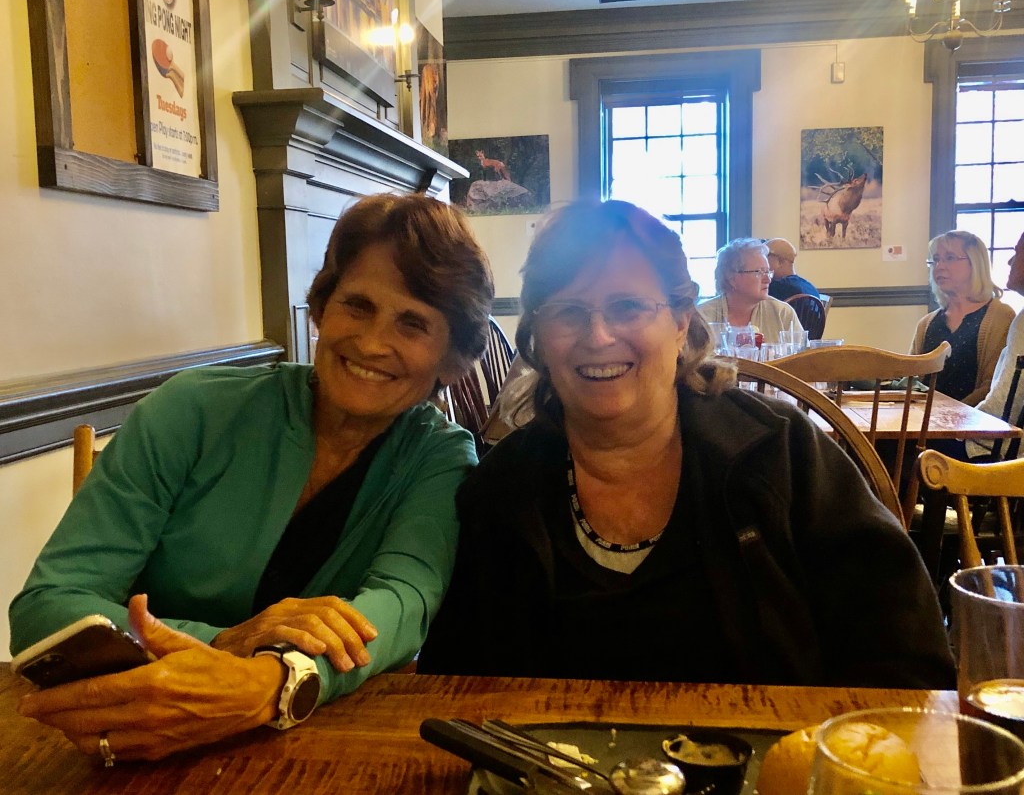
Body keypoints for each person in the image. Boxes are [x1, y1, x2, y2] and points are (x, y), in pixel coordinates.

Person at [9, 193, 494, 761]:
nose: (370, 342)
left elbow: (403, 602)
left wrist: (275, 682)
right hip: (141, 737)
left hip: (307, 748)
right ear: (322, 308)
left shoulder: (439, 458)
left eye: (413, 324)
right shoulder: (192, 410)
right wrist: (228, 643)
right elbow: (48, 606)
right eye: (357, 305)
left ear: (452, 358)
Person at [417, 200, 954, 689]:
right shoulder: (500, 491)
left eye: (628, 307)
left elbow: (905, 659)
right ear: (539, 334)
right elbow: (457, 690)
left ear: (680, 321)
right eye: (568, 312)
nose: (598, 336)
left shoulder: (780, 452)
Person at [910, 230, 1014, 406]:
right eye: (936, 260)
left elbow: (992, 386)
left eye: (950, 258)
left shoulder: (1001, 317)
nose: (939, 266)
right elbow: (911, 380)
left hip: (974, 420)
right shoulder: (926, 323)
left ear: (975, 263)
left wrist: (950, 416)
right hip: (923, 419)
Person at [967, 230, 1024, 460]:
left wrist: (956, 427)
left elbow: (1005, 406)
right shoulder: (929, 321)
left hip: (1004, 454)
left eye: (1017, 253)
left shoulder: (1015, 319)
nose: (1010, 261)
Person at [697, 238, 804, 343]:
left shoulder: (782, 313)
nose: (768, 279)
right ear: (732, 278)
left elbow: (803, 353)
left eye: (768, 272)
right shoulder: (702, 317)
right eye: (759, 272)